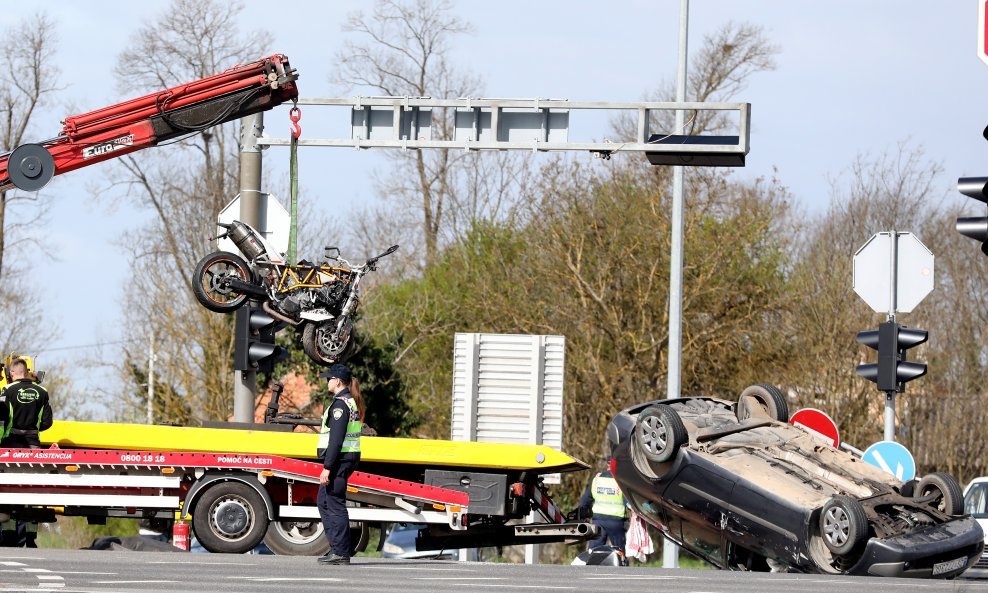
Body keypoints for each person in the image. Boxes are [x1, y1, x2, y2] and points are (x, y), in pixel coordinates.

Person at [315, 363, 362, 565]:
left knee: (334, 504)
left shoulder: (341, 405)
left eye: (329, 378)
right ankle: (337, 548)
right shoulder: (347, 402)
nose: (327, 381)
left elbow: (336, 438)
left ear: (338, 381)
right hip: (344, 458)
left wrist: (327, 467)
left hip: (339, 460)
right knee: (324, 502)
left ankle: (341, 552)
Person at [0, 358, 53, 449]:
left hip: (11, 442)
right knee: (33, 463)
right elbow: (47, 422)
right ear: (26, 372)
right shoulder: (43, 391)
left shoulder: (7, 390)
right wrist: (33, 429)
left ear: (11, 372)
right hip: (33, 442)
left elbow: (1, 418)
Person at [578, 462, 628, 554]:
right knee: (619, 552)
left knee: (594, 552)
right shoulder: (621, 481)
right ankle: (622, 566)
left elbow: (584, 501)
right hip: (616, 522)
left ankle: (593, 567)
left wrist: (582, 516)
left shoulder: (597, 480)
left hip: (598, 521)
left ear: (608, 465)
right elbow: (628, 502)